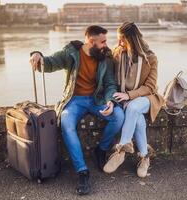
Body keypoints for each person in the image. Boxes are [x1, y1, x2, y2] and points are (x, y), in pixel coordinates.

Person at [29, 25, 124, 195]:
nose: (105, 45)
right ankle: (82, 171)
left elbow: (110, 83)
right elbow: (49, 63)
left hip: (97, 99)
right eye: (102, 41)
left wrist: (110, 101)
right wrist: (37, 54)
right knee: (66, 123)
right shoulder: (71, 52)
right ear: (90, 41)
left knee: (119, 115)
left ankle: (100, 150)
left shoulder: (105, 56)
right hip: (73, 100)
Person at [103, 22, 164, 178]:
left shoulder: (151, 58)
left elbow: (150, 86)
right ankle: (144, 156)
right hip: (125, 98)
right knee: (136, 117)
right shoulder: (118, 53)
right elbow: (107, 72)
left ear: (132, 40)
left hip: (146, 97)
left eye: (122, 40)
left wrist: (129, 96)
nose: (119, 43)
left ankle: (121, 150)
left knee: (133, 107)